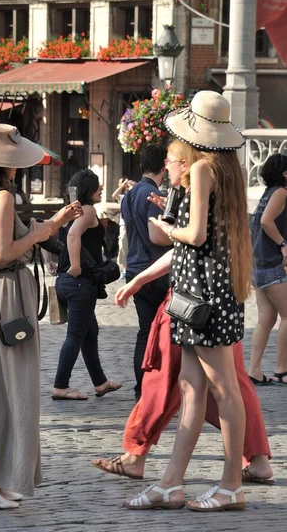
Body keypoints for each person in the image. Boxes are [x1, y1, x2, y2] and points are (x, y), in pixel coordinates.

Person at [112, 91, 252, 512]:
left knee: (224, 390)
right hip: (202, 291)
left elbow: (194, 237)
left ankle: (230, 485)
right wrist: (141, 274)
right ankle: (171, 483)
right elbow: (200, 241)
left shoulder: (204, 168)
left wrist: (164, 226)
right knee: (192, 387)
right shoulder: (222, 170)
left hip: (204, 293)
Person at [0, 123, 81, 510]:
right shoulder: (2, 199)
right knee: (16, 390)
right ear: (5, 163)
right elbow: (6, 252)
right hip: (10, 294)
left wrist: (49, 226)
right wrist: (39, 235)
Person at [92, 292, 274, 485]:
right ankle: (254, 461)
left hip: (189, 301)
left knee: (173, 382)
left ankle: (151, 467)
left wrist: (137, 282)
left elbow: (179, 260)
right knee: (227, 387)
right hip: (220, 301)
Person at [52, 169, 121, 401]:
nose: (101, 190)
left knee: (90, 331)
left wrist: (58, 265)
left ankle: (100, 383)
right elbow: (73, 236)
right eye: (98, 187)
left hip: (66, 281)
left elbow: (52, 236)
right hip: (79, 282)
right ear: (89, 190)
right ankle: (61, 385)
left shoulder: (69, 211)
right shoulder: (88, 210)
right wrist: (76, 267)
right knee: (76, 335)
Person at [121, 144, 171, 400]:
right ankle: (154, 387)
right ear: (163, 166)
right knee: (160, 333)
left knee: (145, 331)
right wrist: (177, 238)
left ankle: (143, 387)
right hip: (154, 271)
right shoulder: (152, 193)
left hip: (135, 267)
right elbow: (156, 235)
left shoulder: (130, 193)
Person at [249, 153, 287, 385]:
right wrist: (283, 244)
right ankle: (282, 370)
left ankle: (254, 369)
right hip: (272, 263)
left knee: (266, 318)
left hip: (258, 264)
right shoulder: (282, 192)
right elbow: (266, 221)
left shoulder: (268, 193)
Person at [112, 177, 136, 279]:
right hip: (125, 225)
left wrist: (134, 185)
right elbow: (114, 195)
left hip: (135, 225)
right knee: (123, 246)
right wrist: (123, 185)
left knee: (133, 247)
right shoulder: (123, 197)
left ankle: (131, 269)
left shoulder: (137, 196)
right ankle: (125, 269)